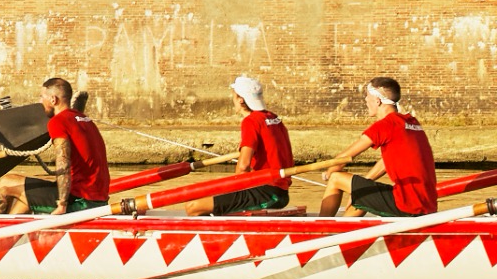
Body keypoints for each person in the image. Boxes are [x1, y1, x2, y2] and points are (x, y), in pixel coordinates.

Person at [320, 77, 437, 218]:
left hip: (408, 205)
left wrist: (328, 172)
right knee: (365, 192)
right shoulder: (410, 122)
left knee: (336, 178)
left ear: (377, 100)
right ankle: (342, 236)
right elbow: (386, 162)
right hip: (426, 204)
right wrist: (362, 185)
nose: (365, 100)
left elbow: (342, 159)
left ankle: (319, 230)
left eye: (367, 97)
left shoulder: (385, 126)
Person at [0, 77, 109, 214]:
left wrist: (62, 204)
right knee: (8, 180)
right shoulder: (86, 121)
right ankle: (12, 232)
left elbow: (62, 162)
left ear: (53, 99)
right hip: (96, 197)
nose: (40, 101)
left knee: (4, 191)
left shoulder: (58, 122)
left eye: (42, 97)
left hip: (79, 201)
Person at [186, 76, 294, 216]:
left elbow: (243, 167)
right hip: (281, 192)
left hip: (266, 193)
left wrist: (232, 191)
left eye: (234, 96)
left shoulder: (251, 122)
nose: (233, 100)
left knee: (193, 207)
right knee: (206, 200)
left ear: (241, 99)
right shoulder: (274, 118)